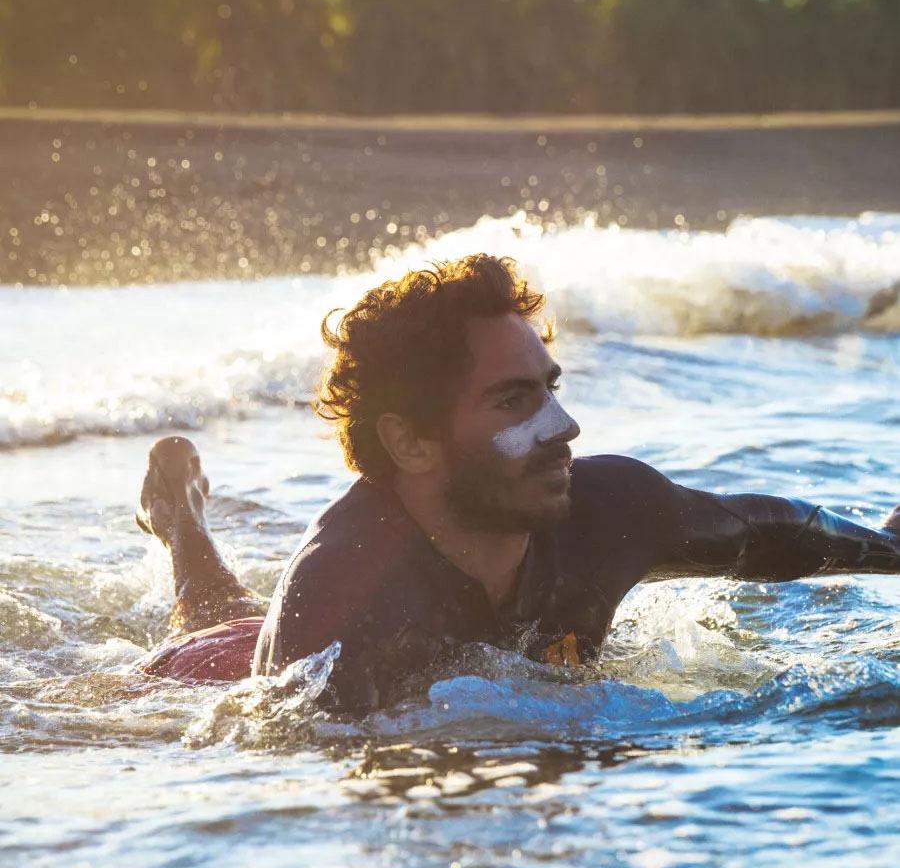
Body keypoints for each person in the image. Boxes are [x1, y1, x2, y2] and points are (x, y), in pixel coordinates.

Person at [138, 254, 900, 711]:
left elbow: (770, 532)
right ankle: (183, 521)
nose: (564, 427)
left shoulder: (612, 508)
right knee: (216, 616)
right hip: (212, 670)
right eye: (514, 402)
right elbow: (276, 764)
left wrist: (889, 548)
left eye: (551, 389)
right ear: (410, 441)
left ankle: (184, 514)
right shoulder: (342, 599)